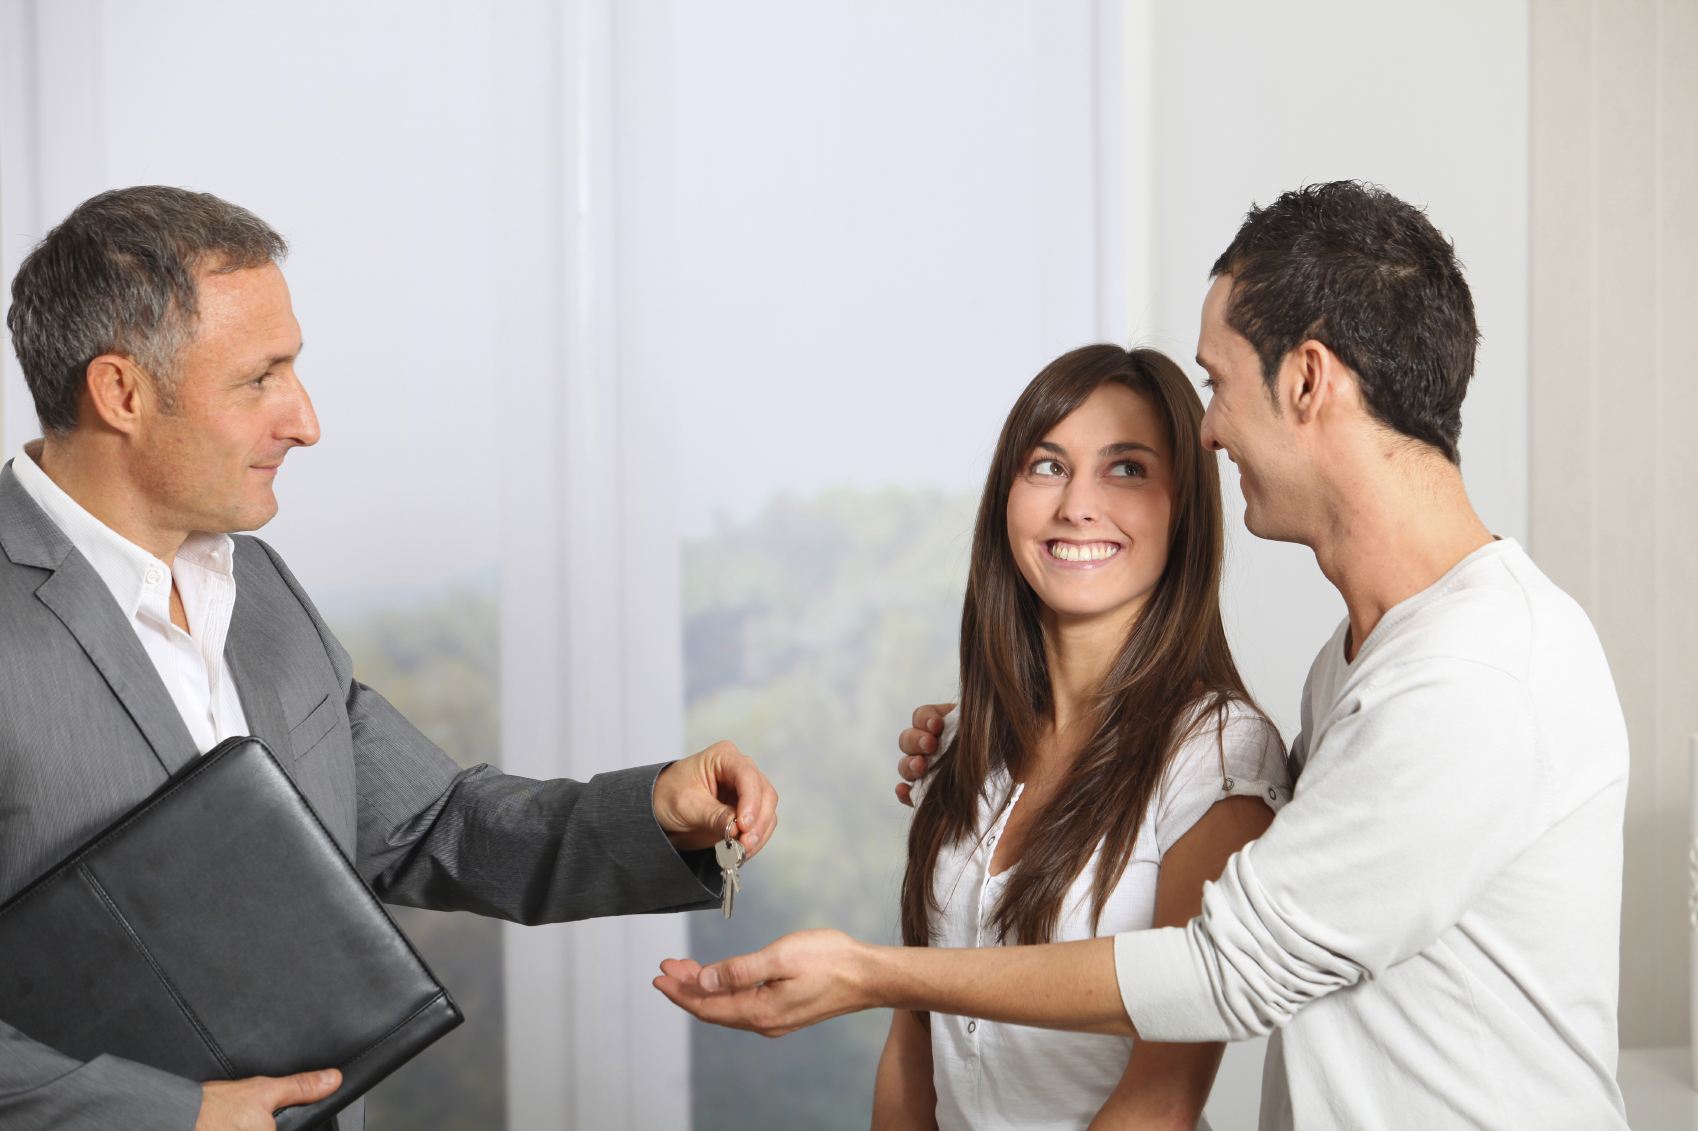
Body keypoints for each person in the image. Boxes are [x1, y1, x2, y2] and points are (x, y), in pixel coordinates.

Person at [655, 181, 1630, 1131]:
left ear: (1306, 379)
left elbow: (1222, 974)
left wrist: (868, 972)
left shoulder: (1476, 676)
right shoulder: (1361, 663)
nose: (1208, 429)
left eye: (1217, 383)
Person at [0, 186, 779, 1131]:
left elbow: (431, 823)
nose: (305, 418)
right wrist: (173, 1117)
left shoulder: (260, 587)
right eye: (260, 378)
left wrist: (654, 813)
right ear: (120, 392)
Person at [872, 344, 1289, 1131]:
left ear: (1183, 507)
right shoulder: (959, 743)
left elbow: (1162, 1100)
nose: (1078, 505)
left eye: (1126, 468)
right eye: (1047, 466)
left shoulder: (1223, 753)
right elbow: (912, 1038)